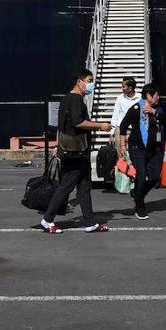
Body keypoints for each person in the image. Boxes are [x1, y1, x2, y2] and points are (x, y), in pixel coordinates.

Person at [41, 68, 111, 234]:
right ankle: (47, 219)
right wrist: (100, 125)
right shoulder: (75, 100)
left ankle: (90, 222)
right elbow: (78, 123)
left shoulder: (66, 99)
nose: (91, 84)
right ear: (80, 82)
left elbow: (61, 126)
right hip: (75, 152)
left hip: (77, 151)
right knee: (66, 186)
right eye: (89, 81)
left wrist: (58, 145)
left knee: (85, 187)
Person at [118, 84, 166, 219]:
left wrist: (154, 112)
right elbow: (123, 126)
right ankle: (140, 206)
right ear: (149, 96)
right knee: (141, 175)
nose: (158, 97)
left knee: (155, 177)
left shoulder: (158, 109)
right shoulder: (135, 108)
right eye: (156, 95)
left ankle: (138, 193)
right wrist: (122, 145)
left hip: (154, 148)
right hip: (137, 147)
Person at [109, 77, 138, 155]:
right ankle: (121, 167)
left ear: (130, 88)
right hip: (120, 128)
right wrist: (112, 132)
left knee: (134, 153)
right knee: (121, 154)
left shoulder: (140, 98)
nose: (121, 88)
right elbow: (115, 115)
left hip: (134, 129)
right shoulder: (120, 98)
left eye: (123, 86)